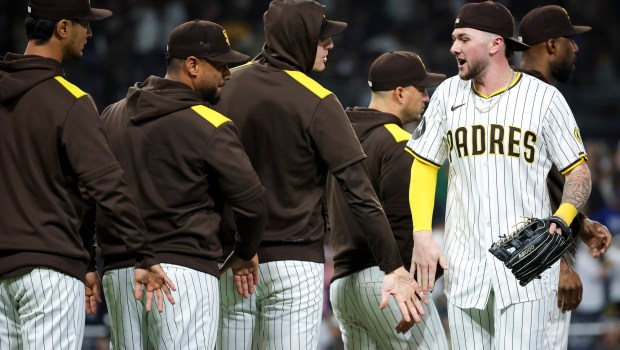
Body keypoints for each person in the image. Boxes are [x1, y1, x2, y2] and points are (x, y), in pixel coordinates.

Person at [214, 1, 424, 348]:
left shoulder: (225, 86)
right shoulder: (318, 98)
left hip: (232, 260)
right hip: (294, 264)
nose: (330, 46)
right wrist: (393, 266)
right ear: (298, 38)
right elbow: (358, 191)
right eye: (322, 38)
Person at [406, 1, 592, 348]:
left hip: (528, 270)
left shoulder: (544, 99)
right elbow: (424, 165)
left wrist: (563, 221)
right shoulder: (447, 95)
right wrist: (421, 233)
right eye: (453, 38)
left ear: (496, 43)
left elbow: (578, 172)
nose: (453, 47)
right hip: (466, 270)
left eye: (463, 38)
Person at [0, 0, 174, 349]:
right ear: (63, 28)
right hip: (49, 272)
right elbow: (107, 187)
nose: (90, 32)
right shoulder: (70, 101)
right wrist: (143, 253)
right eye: (83, 23)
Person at [98, 20, 267, 349]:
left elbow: (91, 193)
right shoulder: (210, 124)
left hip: (121, 273)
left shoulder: (112, 116)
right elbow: (253, 204)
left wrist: (91, 261)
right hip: (183, 275)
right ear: (192, 65)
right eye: (220, 66)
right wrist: (245, 251)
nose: (228, 75)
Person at [327, 51, 449, 349]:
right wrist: (417, 283)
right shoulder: (399, 142)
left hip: (343, 285)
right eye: (421, 89)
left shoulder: (340, 139)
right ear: (399, 93)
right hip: (387, 279)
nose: (426, 98)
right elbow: (402, 224)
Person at [518, 5, 613, 349]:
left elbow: (541, 178)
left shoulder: (511, 93)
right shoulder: (541, 97)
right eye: (571, 40)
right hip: (535, 260)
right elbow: (523, 192)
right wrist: (557, 263)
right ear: (552, 45)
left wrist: (581, 222)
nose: (577, 48)